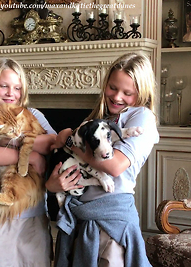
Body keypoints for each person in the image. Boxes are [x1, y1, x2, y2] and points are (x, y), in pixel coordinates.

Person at [0, 57, 81, 267]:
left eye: (17, 88)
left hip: (31, 215)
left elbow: (52, 143)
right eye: (4, 86)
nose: (10, 93)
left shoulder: (32, 114)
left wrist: (14, 143)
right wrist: (29, 155)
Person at [46, 53, 159, 267]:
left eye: (128, 93)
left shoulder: (142, 116)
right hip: (82, 212)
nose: (117, 97)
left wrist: (69, 140)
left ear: (141, 92)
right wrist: (53, 184)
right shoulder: (99, 119)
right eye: (113, 88)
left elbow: (114, 165)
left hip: (109, 218)